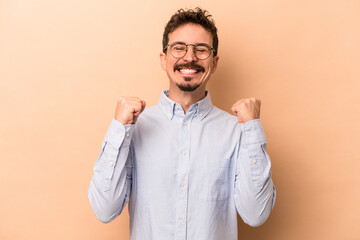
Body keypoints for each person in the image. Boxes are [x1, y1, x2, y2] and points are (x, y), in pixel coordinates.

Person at [88, 7, 276, 240]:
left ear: (214, 63)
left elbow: (256, 214)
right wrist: (118, 128)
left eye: (201, 50)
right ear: (163, 59)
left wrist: (252, 129)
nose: (189, 57)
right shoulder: (133, 128)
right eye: (179, 48)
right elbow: (104, 209)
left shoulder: (237, 132)